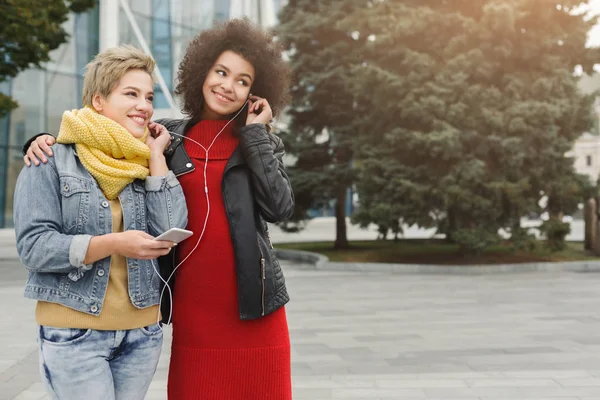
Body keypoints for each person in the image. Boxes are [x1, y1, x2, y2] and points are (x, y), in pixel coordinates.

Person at [23, 18, 294, 399]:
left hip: (256, 310)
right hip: (192, 312)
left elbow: (279, 207)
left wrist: (253, 134)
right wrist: (44, 139)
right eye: (220, 71)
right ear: (201, 72)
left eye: (242, 81)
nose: (227, 86)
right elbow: (102, 134)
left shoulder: (259, 142)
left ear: (255, 91)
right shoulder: (167, 136)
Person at [14, 45, 188, 400]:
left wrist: (156, 157)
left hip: (141, 333)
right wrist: (114, 244)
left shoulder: (146, 159)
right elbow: (34, 248)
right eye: (131, 94)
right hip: (74, 332)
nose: (144, 105)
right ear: (98, 100)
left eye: (149, 96)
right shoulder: (49, 158)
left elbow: (172, 223)